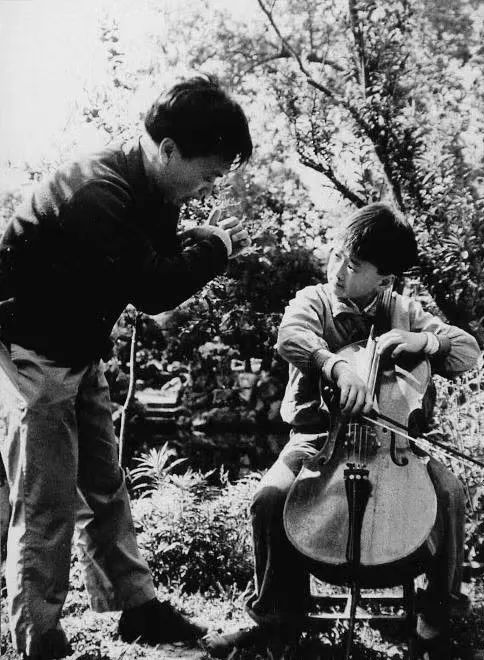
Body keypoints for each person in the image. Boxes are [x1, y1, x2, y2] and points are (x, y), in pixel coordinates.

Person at [0, 74, 252, 660]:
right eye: (208, 174)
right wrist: (214, 246)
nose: (209, 187)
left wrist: (195, 240)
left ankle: (136, 608)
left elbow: (150, 260)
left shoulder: (151, 190)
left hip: (76, 348)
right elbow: (155, 286)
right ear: (168, 149)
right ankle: (38, 638)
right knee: (45, 498)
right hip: (31, 352)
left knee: (105, 482)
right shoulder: (97, 190)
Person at [204, 202, 480, 660]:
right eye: (337, 254)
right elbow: (291, 335)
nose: (337, 269)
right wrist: (334, 365)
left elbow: (468, 351)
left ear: (385, 280)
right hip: (319, 440)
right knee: (268, 499)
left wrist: (426, 341)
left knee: (449, 493)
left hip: (395, 444)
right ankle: (275, 617)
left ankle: (437, 615)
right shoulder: (314, 300)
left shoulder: (404, 310)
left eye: (353, 265)